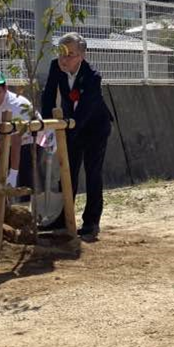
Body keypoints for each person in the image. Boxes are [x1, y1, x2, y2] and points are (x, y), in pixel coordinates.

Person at [41, 32, 113, 241]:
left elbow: (85, 110)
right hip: (70, 126)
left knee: (92, 173)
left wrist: (68, 129)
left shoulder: (92, 76)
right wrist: (47, 125)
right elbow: (48, 96)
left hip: (94, 128)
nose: (64, 59)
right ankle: (64, 218)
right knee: (67, 173)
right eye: (62, 53)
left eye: (70, 54)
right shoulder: (56, 67)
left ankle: (91, 222)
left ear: (82, 55)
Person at [0, 67, 42, 194]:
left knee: (25, 181)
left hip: (34, 140)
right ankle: (2, 209)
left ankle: (29, 209)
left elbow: (16, 141)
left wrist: (13, 174)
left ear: (5, 88)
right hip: (10, 139)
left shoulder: (15, 107)